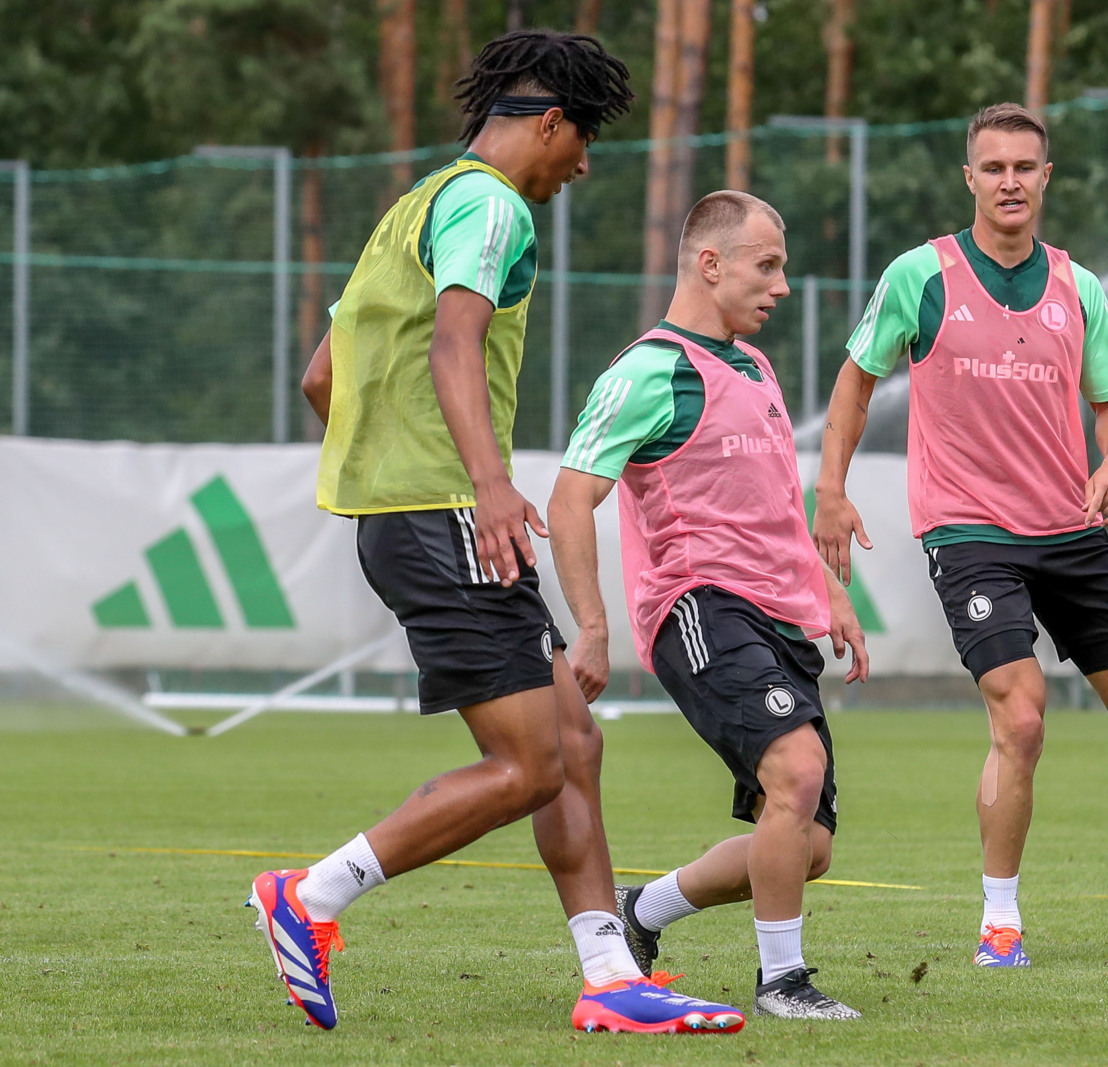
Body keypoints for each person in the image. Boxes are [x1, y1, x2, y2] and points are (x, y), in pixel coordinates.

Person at [249, 30, 744, 1035]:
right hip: (447, 517)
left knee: (572, 740)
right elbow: (459, 337)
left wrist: (397, 476)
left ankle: (609, 973)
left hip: (417, 514)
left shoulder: (415, 207)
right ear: (550, 122)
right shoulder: (492, 205)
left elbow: (321, 378)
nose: (583, 165)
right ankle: (311, 894)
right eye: (582, 141)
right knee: (526, 765)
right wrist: (480, 484)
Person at [811, 103, 1108, 967]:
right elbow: (855, 385)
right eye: (994, 167)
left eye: (1026, 166)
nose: (1010, 180)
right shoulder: (922, 275)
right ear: (970, 178)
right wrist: (829, 489)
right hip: (971, 531)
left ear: (1045, 178)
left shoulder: (1076, 286)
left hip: (1072, 528)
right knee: (1021, 716)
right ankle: (1000, 920)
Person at [547, 190, 870, 1020]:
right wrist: (592, 625)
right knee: (796, 771)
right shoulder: (648, 369)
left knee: (810, 845)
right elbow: (570, 498)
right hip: (700, 606)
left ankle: (641, 911)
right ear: (709, 263)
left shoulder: (753, 366)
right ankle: (783, 982)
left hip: (780, 615)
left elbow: (770, 501)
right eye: (769, 266)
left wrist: (829, 589)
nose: (783, 286)